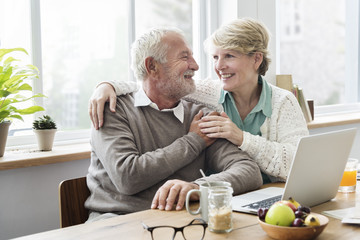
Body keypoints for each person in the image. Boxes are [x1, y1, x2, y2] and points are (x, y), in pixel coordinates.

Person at [88, 18, 309, 184]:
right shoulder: (206, 95)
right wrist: (107, 86)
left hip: (274, 194)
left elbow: (299, 165)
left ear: (256, 59)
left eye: (229, 56)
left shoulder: (283, 102)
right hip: (225, 201)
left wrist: (241, 138)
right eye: (215, 57)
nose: (217, 66)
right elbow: (149, 84)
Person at [85, 26, 262, 222]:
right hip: (117, 223)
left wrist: (197, 188)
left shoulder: (199, 115)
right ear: (152, 66)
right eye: (184, 57)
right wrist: (193, 141)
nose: (195, 65)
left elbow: (249, 171)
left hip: (180, 222)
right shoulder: (112, 110)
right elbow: (128, 177)